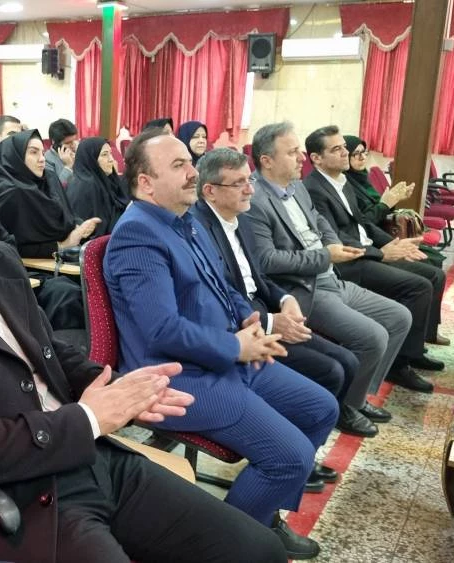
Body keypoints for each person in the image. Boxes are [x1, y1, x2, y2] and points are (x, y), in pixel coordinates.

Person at [0, 118, 288, 563]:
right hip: (27, 495)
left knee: (259, 550)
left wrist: (115, 388)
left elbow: (46, 349)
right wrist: (89, 417)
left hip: (87, 454)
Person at [104, 129, 338, 560]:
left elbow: (222, 285)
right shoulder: (138, 235)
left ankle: (261, 515)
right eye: (179, 165)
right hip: (179, 378)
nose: (193, 172)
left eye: (189, 163)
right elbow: (161, 330)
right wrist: (235, 347)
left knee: (321, 407)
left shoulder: (185, 219)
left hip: (224, 356)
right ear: (146, 183)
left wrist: (247, 316)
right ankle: (228, 546)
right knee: (291, 457)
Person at [190, 149, 376, 438]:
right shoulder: (198, 228)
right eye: (239, 183)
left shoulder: (241, 219)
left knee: (348, 361)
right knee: (330, 370)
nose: (250, 189)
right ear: (210, 191)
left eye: (249, 180)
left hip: (263, 309)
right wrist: (269, 322)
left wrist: (285, 300)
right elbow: (220, 293)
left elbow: (258, 277)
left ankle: (314, 430)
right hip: (238, 325)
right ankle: (296, 436)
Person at [243, 122, 420, 399]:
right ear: (267, 161)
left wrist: (332, 245)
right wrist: (326, 255)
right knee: (373, 337)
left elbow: (319, 220)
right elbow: (267, 261)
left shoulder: (297, 186)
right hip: (305, 288)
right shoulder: (255, 200)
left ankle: (359, 395)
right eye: (292, 152)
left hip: (332, 276)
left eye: (299, 150)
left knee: (399, 317)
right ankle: (348, 407)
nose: (301, 158)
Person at [303, 126, 447, 378]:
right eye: (336, 149)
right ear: (316, 158)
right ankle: (398, 365)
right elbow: (336, 237)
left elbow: (363, 225)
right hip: (349, 261)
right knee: (418, 286)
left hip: (367, 250)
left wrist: (392, 243)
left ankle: (414, 350)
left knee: (434, 273)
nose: (345, 153)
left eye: (344, 147)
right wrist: (380, 253)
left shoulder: (343, 182)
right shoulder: (313, 188)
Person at [343, 135, 447, 272]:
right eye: (356, 154)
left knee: (433, 256)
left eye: (364, 152)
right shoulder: (345, 185)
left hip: (383, 233)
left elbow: (379, 210)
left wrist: (395, 200)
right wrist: (385, 204)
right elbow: (362, 223)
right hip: (369, 241)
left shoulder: (363, 178)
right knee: (428, 263)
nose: (362, 157)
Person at [0, 128, 99, 258]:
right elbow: (9, 247)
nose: (42, 159)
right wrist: (62, 245)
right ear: (15, 156)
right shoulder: (10, 193)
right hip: (35, 265)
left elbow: (67, 215)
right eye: (33, 152)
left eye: (42, 152)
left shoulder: (49, 178)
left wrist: (80, 227)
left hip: (65, 255)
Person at [64, 137, 128, 238]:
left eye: (110, 153)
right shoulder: (87, 186)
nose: (111, 159)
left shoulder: (104, 179)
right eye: (104, 155)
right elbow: (97, 229)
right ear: (91, 159)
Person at [45, 118, 78, 185]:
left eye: (74, 140)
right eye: (68, 143)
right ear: (54, 142)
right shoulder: (47, 160)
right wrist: (68, 166)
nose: (73, 145)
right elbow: (55, 187)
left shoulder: (77, 151)